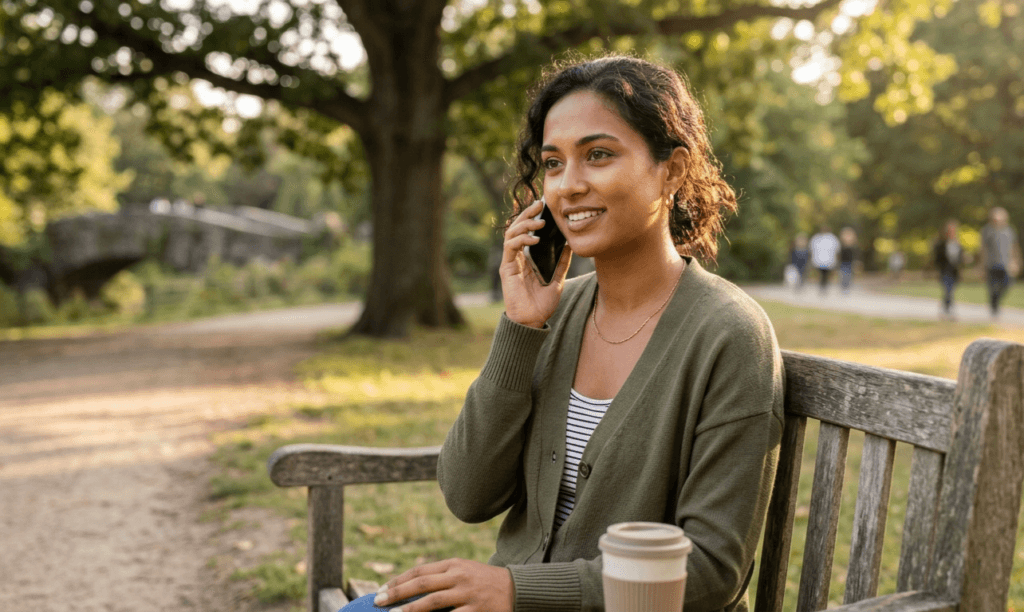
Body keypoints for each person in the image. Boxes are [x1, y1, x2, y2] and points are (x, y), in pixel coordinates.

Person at [345, 55, 784, 612]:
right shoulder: (555, 313)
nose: (568, 186)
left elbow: (712, 568)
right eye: (553, 163)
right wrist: (520, 328)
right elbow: (467, 494)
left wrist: (517, 589)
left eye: (598, 155)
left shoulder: (730, 334)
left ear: (672, 171)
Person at [980, 207, 1021, 317]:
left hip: (1005, 264)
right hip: (991, 264)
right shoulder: (987, 231)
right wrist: (982, 266)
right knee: (992, 287)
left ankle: (995, 301)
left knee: (1007, 284)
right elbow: (983, 249)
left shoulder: (1009, 231)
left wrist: (1016, 261)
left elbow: (1014, 247)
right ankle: (994, 305)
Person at [933, 219, 965, 320]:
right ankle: (950, 311)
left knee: (950, 291)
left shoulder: (958, 244)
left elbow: (960, 259)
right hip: (944, 270)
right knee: (948, 290)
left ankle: (945, 309)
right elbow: (937, 259)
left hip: (954, 271)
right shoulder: (941, 244)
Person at [809, 225, 840, 295]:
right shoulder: (817, 238)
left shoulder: (832, 238)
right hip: (820, 261)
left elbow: (836, 250)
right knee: (823, 275)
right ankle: (822, 287)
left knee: (824, 275)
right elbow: (812, 249)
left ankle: (823, 287)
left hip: (827, 261)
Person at [838, 227, 858, 294]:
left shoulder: (853, 247)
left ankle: (847, 286)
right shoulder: (841, 246)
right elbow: (839, 255)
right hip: (843, 263)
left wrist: (856, 262)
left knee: (849, 275)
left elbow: (855, 255)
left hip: (850, 263)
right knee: (843, 275)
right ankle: (843, 286)